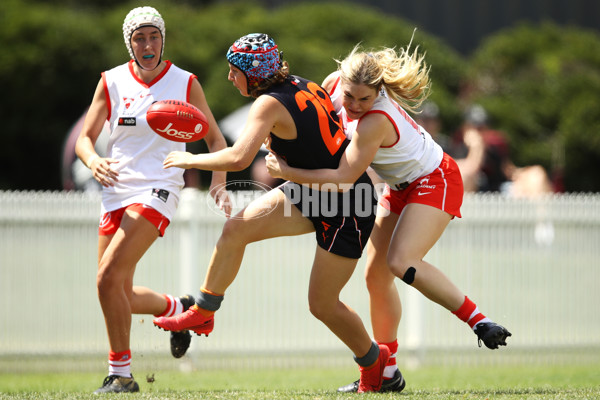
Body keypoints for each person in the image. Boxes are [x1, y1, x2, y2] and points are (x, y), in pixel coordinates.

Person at [265, 44, 512, 393]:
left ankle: (479, 322)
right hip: (400, 186)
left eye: (365, 99)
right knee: (375, 276)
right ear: (342, 81)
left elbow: (343, 178)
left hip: (436, 179)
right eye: (350, 96)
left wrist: (286, 169)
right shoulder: (334, 83)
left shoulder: (376, 120)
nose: (354, 105)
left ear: (379, 93)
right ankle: (388, 372)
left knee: (401, 262)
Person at [153, 33, 390, 393]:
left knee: (322, 304)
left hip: (346, 206)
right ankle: (203, 311)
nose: (230, 78)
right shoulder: (302, 83)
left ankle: (376, 368)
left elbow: (238, 158)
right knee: (236, 229)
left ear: (253, 72)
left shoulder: (267, 102)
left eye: (234, 71)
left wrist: (190, 158)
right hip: (312, 190)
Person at [74, 7, 230, 394]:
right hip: (114, 190)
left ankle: (121, 375)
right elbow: (84, 138)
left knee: (107, 277)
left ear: (163, 39)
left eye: (154, 36)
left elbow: (216, 141)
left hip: (159, 188)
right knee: (115, 290)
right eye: (140, 38)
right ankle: (177, 307)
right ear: (130, 43)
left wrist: (218, 183)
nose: (148, 44)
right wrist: (93, 161)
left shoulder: (185, 83)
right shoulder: (110, 82)